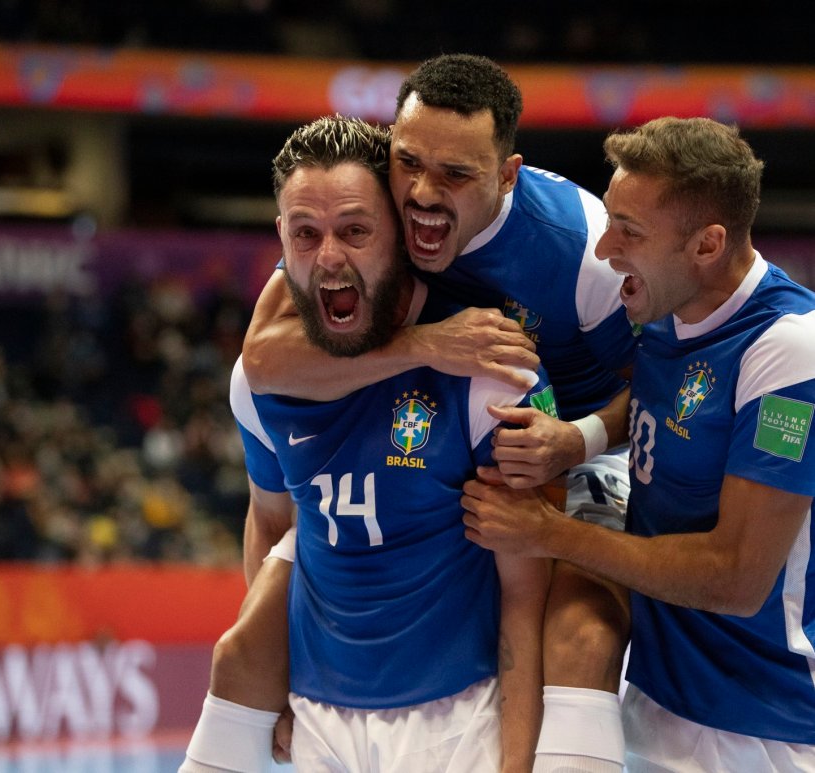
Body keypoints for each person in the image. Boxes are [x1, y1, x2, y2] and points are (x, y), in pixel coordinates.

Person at [241, 54, 638, 773]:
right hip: (462, 431)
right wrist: (427, 344)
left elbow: (661, 388)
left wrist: (576, 439)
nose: (423, 193)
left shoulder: (581, 244)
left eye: (455, 174)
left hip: (582, 444)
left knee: (580, 637)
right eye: (410, 162)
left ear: (507, 175)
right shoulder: (368, 209)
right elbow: (263, 359)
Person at [183, 114, 559, 772]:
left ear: (399, 233)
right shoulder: (259, 381)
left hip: (458, 718)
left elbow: (527, 595)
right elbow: (270, 521)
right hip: (317, 716)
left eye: (355, 231)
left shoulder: (489, 368)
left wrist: (518, 760)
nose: (329, 257)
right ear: (282, 237)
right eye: (306, 233)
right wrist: (276, 685)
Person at [462, 116, 815, 771]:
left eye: (630, 230)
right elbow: (662, 397)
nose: (604, 250)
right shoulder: (668, 305)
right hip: (656, 700)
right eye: (608, 222)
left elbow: (737, 578)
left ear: (707, 245)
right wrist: (579, 438)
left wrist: (551, 534)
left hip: (760, 729)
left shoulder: (790, 353)